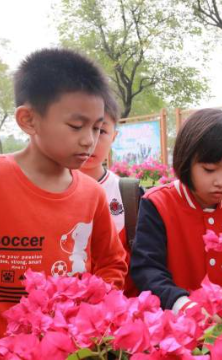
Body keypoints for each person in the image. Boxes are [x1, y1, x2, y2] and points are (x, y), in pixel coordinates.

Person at [0, 48, 128, 359]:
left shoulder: (92, 195)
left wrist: (91, 310)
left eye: (96, 128)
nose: (88, 140)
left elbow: (111, 263)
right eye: (76, 126)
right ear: (28, 120)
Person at [130, 108, 222, 312]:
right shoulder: (158, 204)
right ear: (187, 161)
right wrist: (181, 303)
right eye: (209, 170)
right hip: (173, 324)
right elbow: (147, 268)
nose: (221, 182)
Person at [80, 93, 141, 297]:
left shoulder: (128, 193)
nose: (90, 140)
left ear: (114, 135)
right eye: (79, 127)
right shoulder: (50, 191)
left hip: (121, 313)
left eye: (101, 130)